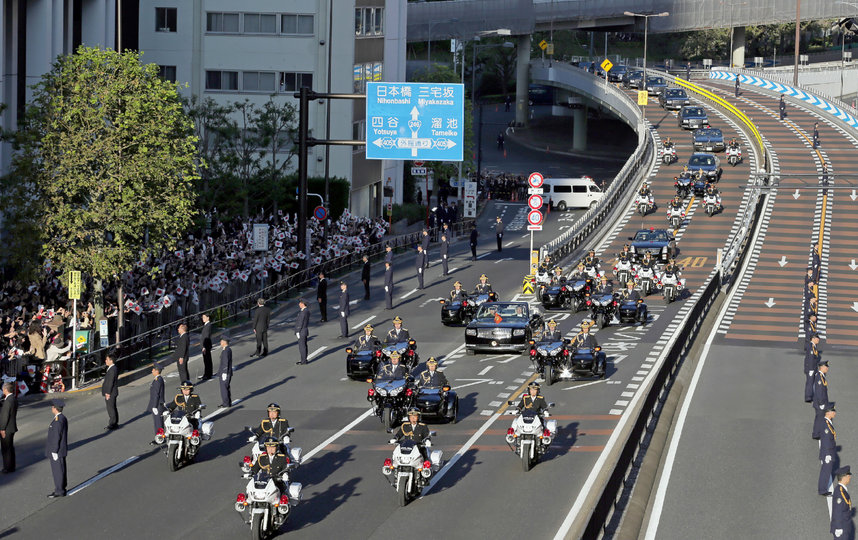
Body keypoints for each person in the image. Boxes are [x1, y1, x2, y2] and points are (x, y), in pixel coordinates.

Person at [46, 399, 68, 498]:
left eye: (52, 406)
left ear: (55, 408)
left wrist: (54, 451)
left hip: (57, 451)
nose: (52, 408)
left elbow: (56, 437)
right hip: (60, 450)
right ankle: (62, 488)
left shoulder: (57, 421)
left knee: (58, 471)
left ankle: (59, 490)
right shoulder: (62, 418)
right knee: (61, 469)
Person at [819, 403, 837, 496]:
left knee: (826, 471)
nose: (835, 413)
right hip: (827, 452)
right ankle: (822, 490)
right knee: (826, 472)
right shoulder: (826, 425)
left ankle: (822, 489)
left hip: (829, 451)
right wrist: (827, 454)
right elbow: (826, 441)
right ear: (828, 412)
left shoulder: (827, 423)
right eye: (833, 411)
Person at [831, 466, 853, 539]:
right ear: (844, 477)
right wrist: (838, 527)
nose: (850, 477)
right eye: (848, 476)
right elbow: (837, 510)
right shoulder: (840, 493)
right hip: (841, 527)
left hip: (844, 525)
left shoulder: (842, 490)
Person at [0, 382, 17, 473]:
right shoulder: (13, 399)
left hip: (6, 428)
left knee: (6, 449)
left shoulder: (8, 401)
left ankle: (7, 467)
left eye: (3, 389)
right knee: (10, 448)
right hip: (11, 427)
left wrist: (2, 429)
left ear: (6, 390)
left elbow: (5, 416)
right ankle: (12, 466)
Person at [147, 362, 165, 444]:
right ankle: (159, 437)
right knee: (157, 421)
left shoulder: (158, 380)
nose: (152, 371)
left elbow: (156, 394)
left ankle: (159, 439)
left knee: (158, 422)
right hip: (157, 404)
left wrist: (154, 406)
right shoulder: (158, 379)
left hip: (157, 405)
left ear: (156, 371)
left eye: (153, 370)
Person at [812, 359, 830, 439]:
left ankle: (817, 433)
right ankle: (816, 434)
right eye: (826, 367)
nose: (827, 368)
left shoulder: (821, 376)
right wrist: (821, 403)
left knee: (819, 417)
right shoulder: (819, 377)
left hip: (821, 401)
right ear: (821, 367)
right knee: (819, 418)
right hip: (820, 403)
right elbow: (819, 391)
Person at [102, 353, 119, 431]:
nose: (106, 361)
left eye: (107, 359)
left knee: (111, 408)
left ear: (111, 361)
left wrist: (108, 393)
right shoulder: (112, 368)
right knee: (113, 407)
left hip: (111, 392)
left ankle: (112, 423)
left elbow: (110, 382)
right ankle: (114, 422)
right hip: (112, 392)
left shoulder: (112, 369)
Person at [805, 334, 820, 403]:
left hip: (813, 367)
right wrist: (811, 369)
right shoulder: (811, 347)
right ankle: (808, 397)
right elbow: (810, 359)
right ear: (813, 338)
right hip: (811, 368)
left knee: (812, 382)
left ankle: (811, 396)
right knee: (810, 382)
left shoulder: (813, 346)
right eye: (817, 338)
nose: (818, 339)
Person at [218, 334, 233, 407]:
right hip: (228, 372)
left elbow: (225, 362)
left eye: (221, 341)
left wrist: (224, 372)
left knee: (224, 389)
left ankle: (226, 403)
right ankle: (228, 402)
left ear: (224, 342)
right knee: (226, 387)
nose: (220, 342)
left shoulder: (225, 351)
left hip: (225, 373)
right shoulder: (228, 349)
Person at [198, 312, 213, 381]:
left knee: (207, 360)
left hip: (206, 345)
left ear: (208, 318)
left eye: (204, 317)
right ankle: (207, 373)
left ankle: (208, 374)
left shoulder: (208, 325)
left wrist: (204, 346)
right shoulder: (206, 325)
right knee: (207, 360)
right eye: (202, 318)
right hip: (206, 345)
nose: (203, 319)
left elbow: (206, 336)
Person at [295, 299, 310, 365]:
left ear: (303, 304)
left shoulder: (303, 312)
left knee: (302, 346)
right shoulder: (306, 311)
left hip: (301, 331)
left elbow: (300, 322)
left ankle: (303, 361)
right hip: (304, 330)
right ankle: (304, 359)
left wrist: (298, 331)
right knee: (304, 346)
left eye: (300, 303)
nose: (299, 304)